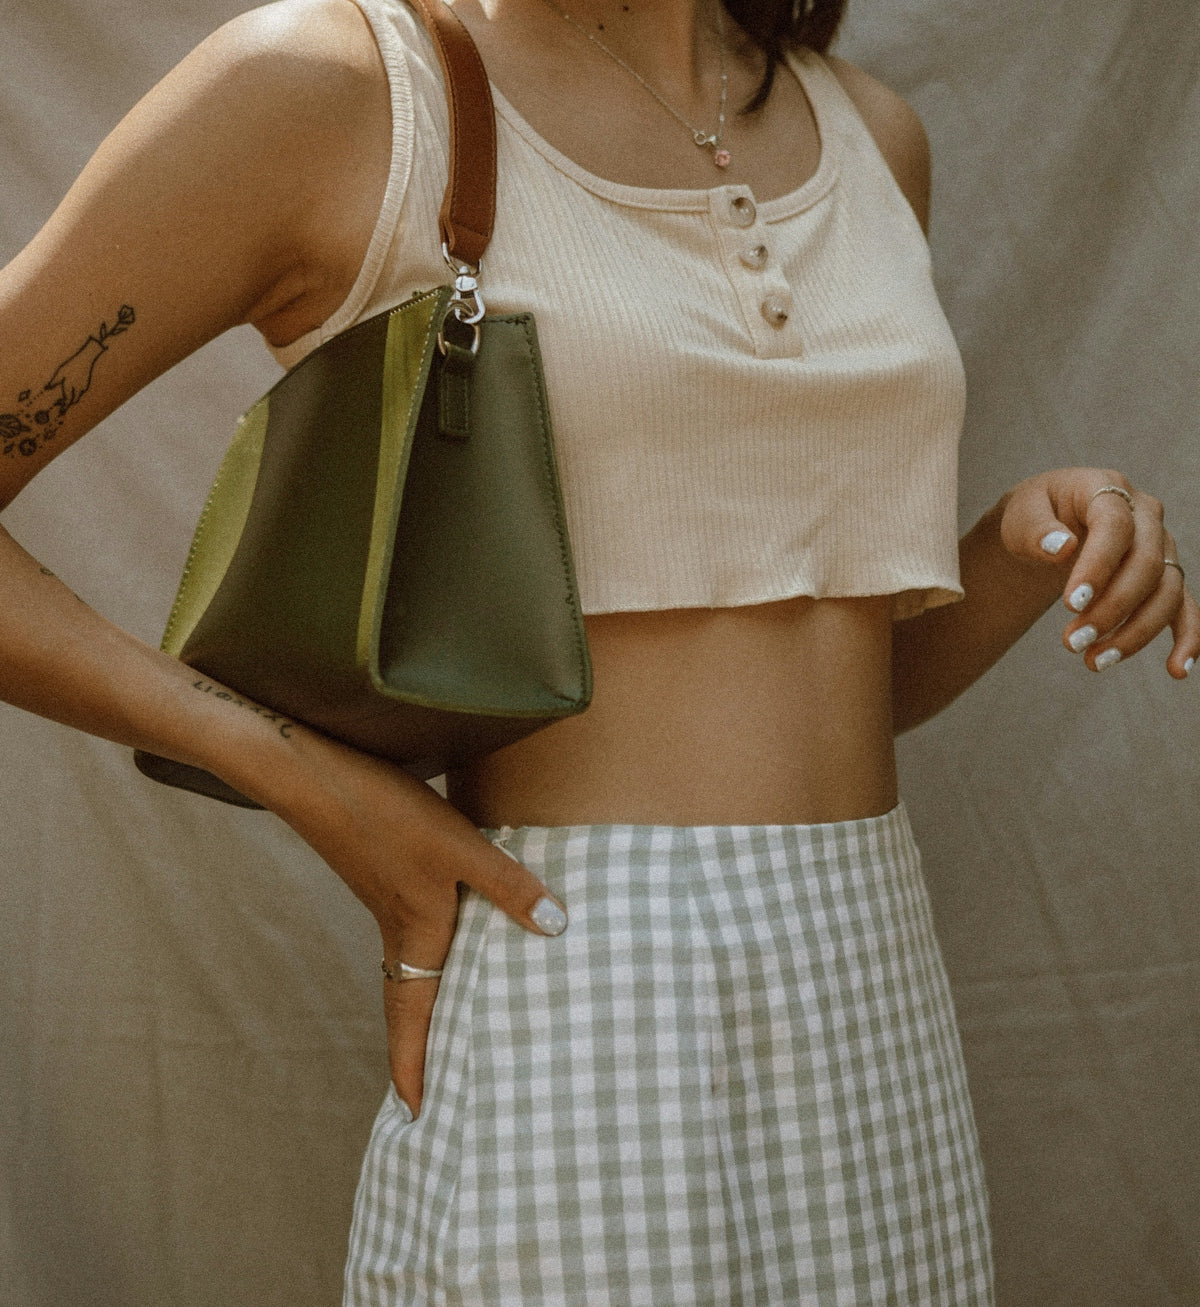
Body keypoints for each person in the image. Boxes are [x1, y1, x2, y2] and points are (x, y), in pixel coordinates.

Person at [1, 0, 1195, 1301]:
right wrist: (306, 777)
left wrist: (1019, 550)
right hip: (580, 976)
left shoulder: (871, 134)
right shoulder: (346, 88)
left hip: (873, 987)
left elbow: (811, 695)